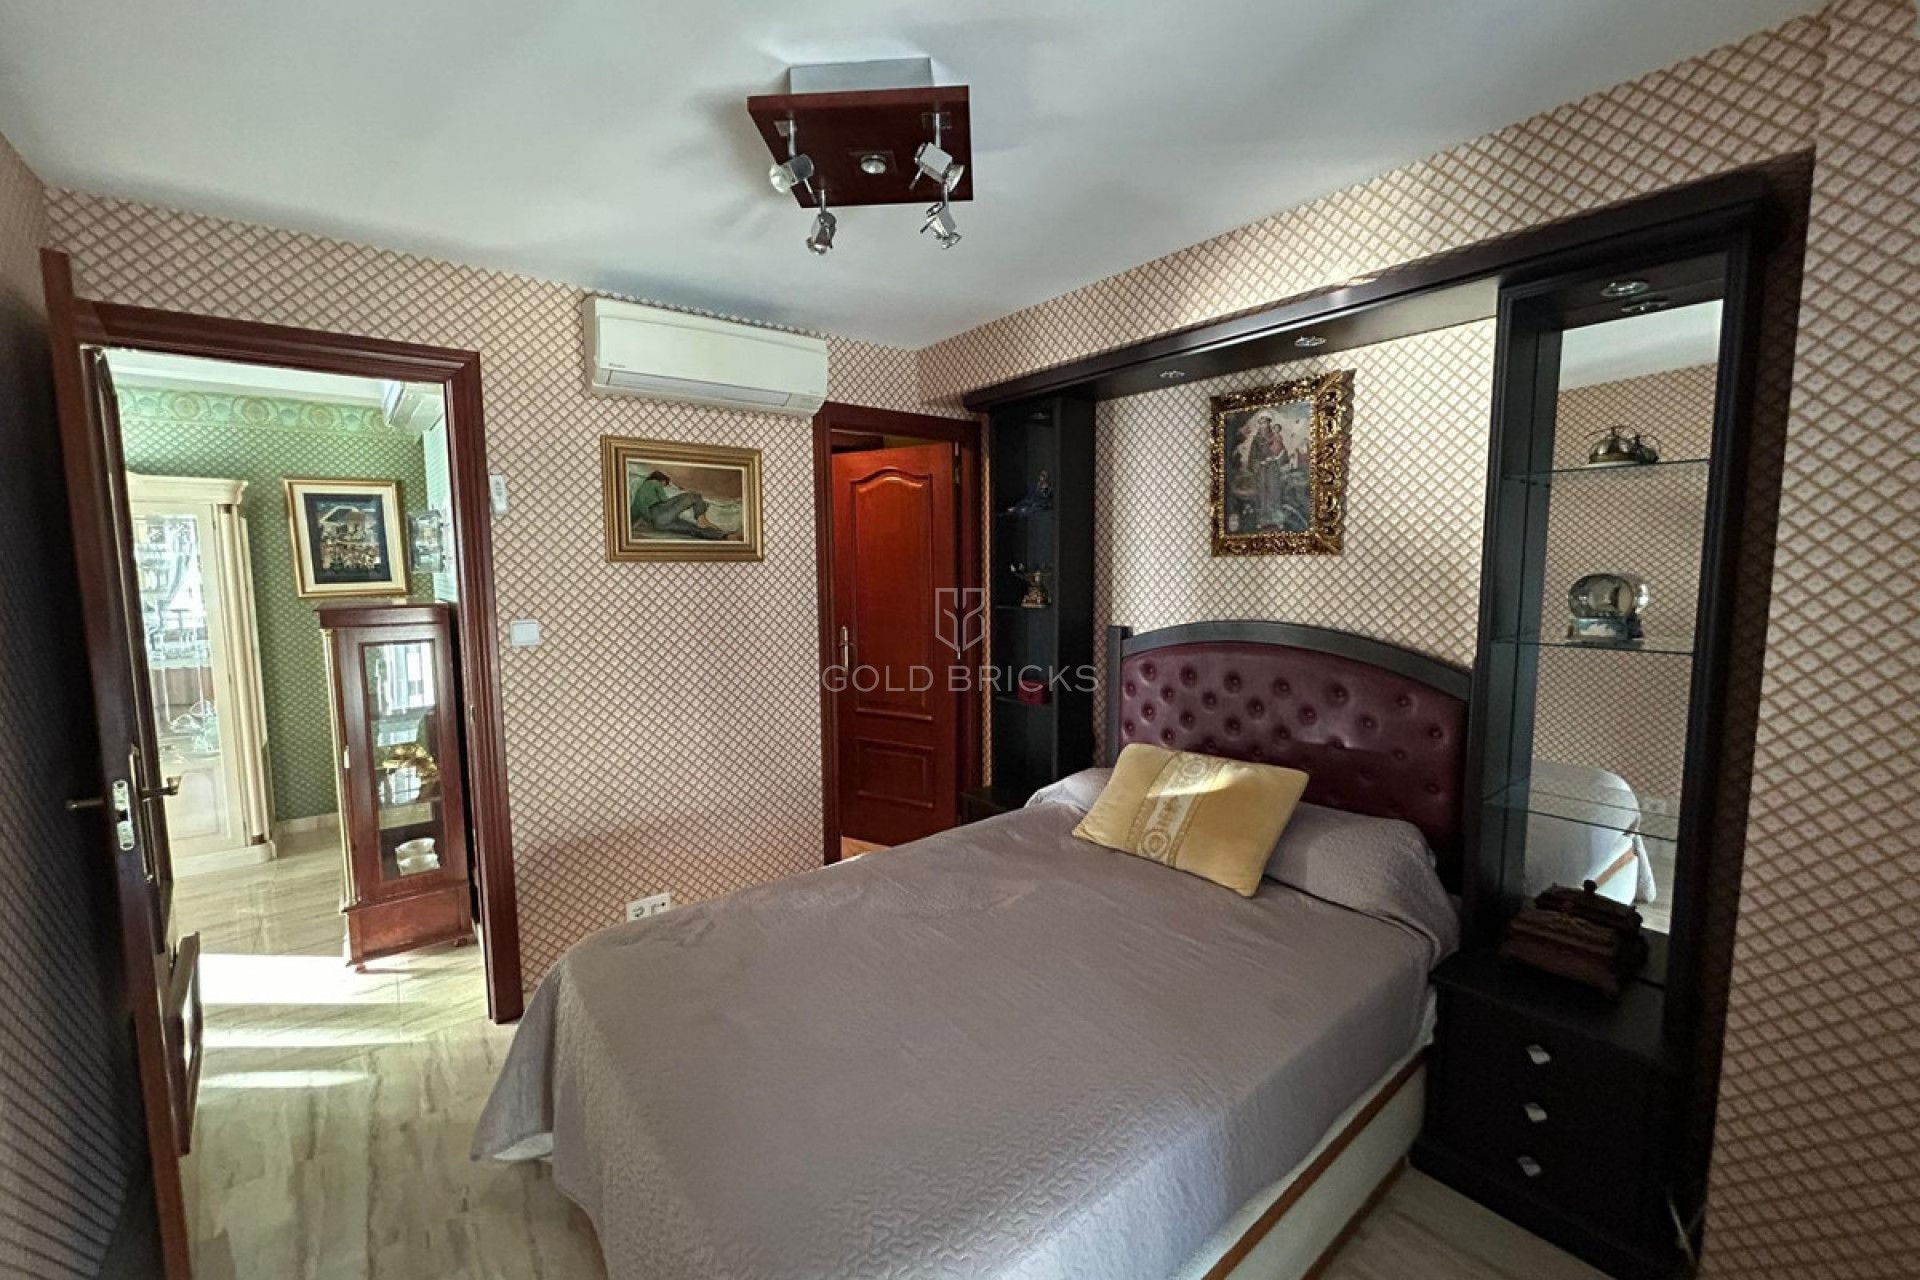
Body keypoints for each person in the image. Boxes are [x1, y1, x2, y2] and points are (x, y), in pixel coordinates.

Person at [628, 469, 734, 540]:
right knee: (694, 496)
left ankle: (724, 536)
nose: (665, 486)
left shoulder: (639, 494)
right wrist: (677, 494)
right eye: (665, 484)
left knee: (692, 529)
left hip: (658, 524)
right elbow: (664, 500)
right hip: (660, 513)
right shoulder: (653, 483)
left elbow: (635, 514)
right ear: (662, 480)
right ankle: (702, 518)